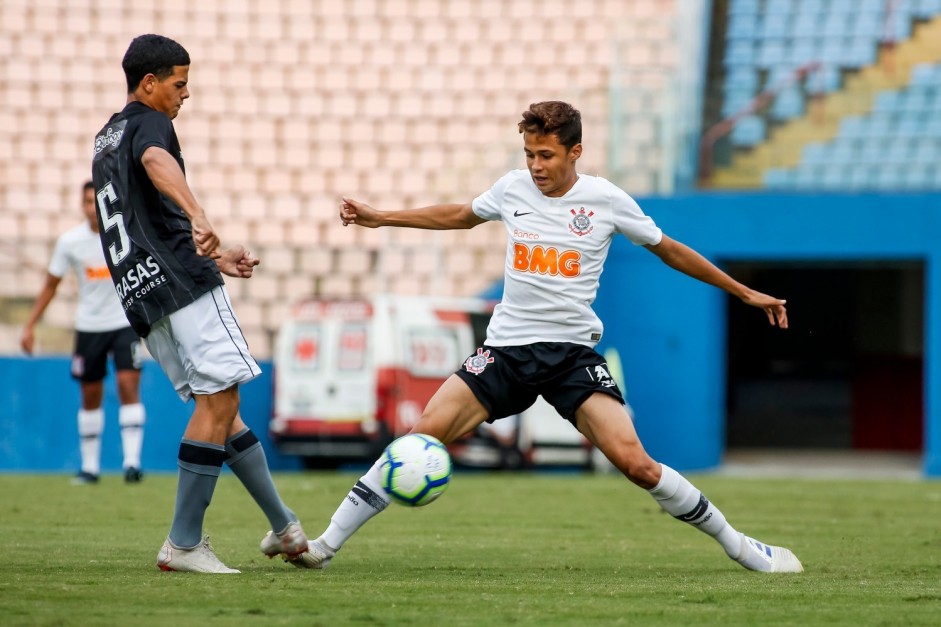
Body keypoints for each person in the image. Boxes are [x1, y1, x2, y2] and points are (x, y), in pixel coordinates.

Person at [291, 101, 803, 573]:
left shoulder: (605, 200)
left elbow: (668, 249)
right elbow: (461, 216)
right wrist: (383, 216)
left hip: (571, 357)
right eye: (529, 154)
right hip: (506, 352)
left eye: (546, 155)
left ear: (574, 152)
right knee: (417, 438)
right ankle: (324, 547)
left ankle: (741, 547)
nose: (536, 165)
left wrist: (742, 292)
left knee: (639, 466)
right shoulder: (513, 188)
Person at [91, 33, 312, 574]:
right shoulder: (149, 125)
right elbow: (157, 162)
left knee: (222, 411)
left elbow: (144, 223)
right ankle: (184, 544)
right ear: (150, 83)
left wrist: (214, 255)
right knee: (219, 402)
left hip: (143, 292)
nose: (185, 95)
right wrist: (198, 211)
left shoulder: (105, 137)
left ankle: (285, 528)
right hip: (180, 288)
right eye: (179, 83)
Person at [21, 181, 146, 485]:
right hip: (89, 326)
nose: (93, 207)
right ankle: (90, 467)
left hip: (124, 322)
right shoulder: (70, 242)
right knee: (90, 394)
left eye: (96, 201)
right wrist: (30, 324)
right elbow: (51, 285)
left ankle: (132, 464)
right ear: (82, 205)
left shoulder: (126, 234)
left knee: (128, 385)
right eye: (88, 202)